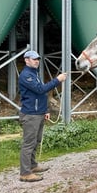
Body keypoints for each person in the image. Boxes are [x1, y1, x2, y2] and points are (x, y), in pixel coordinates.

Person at [18, 50, 67, 182]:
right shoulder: (26, 75)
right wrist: (58, 80)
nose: (36, 61)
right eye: (34, 59)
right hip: (30, 115)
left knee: (36, 141)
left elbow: (40, 95)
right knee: (28, 144)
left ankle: (32, 166)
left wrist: (45, 110)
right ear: (26, 60)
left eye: (38, 59)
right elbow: (41, 89)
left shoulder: (34, 74)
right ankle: (25, 173)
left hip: (38, 113)